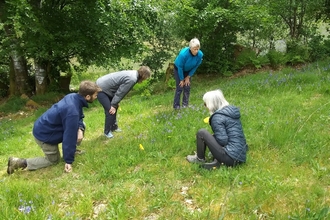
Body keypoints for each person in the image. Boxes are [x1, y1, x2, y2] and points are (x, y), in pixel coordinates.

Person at [7, 80, 101, 174]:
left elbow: (79, 116)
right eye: (95, 95)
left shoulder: (73, 97)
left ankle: (72, 151)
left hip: (46, 127)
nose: (96, 97)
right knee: (53, 160)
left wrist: (80, 128)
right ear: (88, 96)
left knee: (81, 126)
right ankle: (18, 163)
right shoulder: (72, 111)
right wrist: (68, 161)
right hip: (44, 135)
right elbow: (69, 136)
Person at [186, 89, 248, 170]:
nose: (205, 106)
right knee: (212, 137)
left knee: (202, 133)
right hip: (240, 156)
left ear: (211, 104)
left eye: (205, 104)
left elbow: (223, 141)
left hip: (230, 158)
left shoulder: (217, 117)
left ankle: (199, 159)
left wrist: (211, 139)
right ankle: (217, 161)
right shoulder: (231, 112)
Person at [96, 66, 151, 138]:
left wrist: (115, 103)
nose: (145, 79)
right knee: (110, 110)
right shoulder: (132, 79)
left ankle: (114, 127)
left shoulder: (134, 74)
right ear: (143, 75)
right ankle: (107, 132)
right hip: (101, 88)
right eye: (146, 77)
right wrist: (113, 104)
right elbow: (121, 92)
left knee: (114, 107)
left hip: (107, 88)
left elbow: (119, 88)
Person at [173, 38, 203, 109]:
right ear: (190, 48)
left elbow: (196, 66)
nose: (196, 51)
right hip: (178, 69)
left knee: (187, 86)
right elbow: (180, 67)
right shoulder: (183, 54)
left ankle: (185, 105)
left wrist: (188, 76)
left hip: (188, 71)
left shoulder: (200, 55)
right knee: (180, 87)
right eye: (194, 49)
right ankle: (176, 106)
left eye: (197, 49)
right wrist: (181, 79)